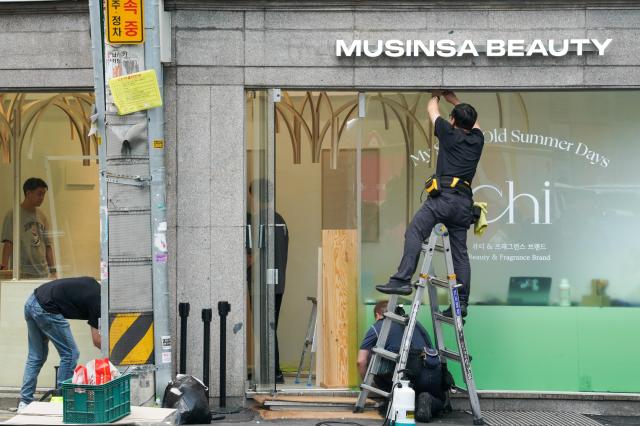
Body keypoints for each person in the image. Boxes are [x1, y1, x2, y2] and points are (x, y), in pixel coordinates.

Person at [376, 91, 484, 318]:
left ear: (453, 120)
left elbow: (431, 111)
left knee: (415, 231)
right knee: (460, 255)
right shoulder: (477, 140)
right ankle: (461, 303)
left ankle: (402, 280)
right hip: (464, 203)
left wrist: (436, 95)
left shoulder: (448, 132)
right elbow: (476, 123)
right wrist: (454, 99)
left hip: (443, 199)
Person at [19, 277, 101, 411]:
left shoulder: (93, 285)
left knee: (36, 356)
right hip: (46, 308)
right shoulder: (98, 303)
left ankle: (24, 402)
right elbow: (97, 340)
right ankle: (62, 401)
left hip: (32, 301)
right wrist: (114, 355)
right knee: (70, 353)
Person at [357, 301, 446, 421]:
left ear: (378, 315)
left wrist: (368, 384)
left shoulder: (377, 326)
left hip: (405, 375)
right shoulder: (416, 324)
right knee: (440, 400)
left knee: (375, 358)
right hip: (430, 373)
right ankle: (427, 400)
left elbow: (361, 361)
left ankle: (398, 401)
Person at [247, 179, 289, 384]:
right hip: (278, 283)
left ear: (254, 196)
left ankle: (273, 372)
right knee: (271, 327)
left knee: (264, 329)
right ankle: (272, 371)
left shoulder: (258, 221)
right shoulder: (281, 221)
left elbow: (253, 256)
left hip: (261, 285)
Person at [1, 178, 56, 278]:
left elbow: (48, 245)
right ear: (28, 193)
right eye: (39, 194)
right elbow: (8, 244)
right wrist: (4, 269)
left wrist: (53, 270)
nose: (42, 197)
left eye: (44, 194)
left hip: (42, 272)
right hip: (22, 272)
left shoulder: (42, 216)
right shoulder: (13, 215)